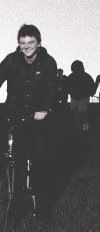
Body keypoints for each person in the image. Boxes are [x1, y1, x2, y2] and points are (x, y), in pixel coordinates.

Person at [0, 24, 58, 216]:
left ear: (39, 43)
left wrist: (45, 109)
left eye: (31, 42)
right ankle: (10, 196)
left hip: (37, 115)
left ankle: (40, 203)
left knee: (38, 156)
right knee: (9, 155)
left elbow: (51, 89)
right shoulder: (11, 60)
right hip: (13, 112)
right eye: (23, 42)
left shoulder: (48, 62)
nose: (27, 46)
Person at [67, 60, 95, 131]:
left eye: (78, 67)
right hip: (74, 96)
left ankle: (84, 124)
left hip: (84, 96)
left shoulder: (86, 76)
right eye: (76, 67)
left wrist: (91, 92)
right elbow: (67, 86)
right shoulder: (71, 76)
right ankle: (79, 127)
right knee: (75, 111)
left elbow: (91, 86)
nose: (77, 68)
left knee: (82, 110)